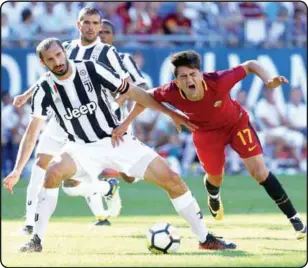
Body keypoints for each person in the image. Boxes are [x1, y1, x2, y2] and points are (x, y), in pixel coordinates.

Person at [3, 38, 235, 252]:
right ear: (43, 63)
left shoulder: (91, 68)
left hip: (116, 140)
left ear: (65, 52)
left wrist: (169, 113)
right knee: (52, 173)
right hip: (81, 148)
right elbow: (32, 132)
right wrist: (16, 170)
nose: (57, 62)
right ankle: (37, 240)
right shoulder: (44, 88)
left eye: (58, 55)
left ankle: (205, 238)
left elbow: (134, 92)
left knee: (173, 180)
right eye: (50, 59)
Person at [112, 50, 307, 240]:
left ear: (201, 74)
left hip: (236, 124)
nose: (189, 80)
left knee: (259, 172)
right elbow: (144, 98)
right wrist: (127, 123)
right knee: (215, 178)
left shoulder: (218, 81)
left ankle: (294, 218)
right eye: (183, 77)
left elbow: (250, 65)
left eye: (193, 74)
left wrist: (269, 80)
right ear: (176, 80)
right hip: (205, 134)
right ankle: (213, 194)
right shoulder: (170, 91)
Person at [12, 7, 131, 232]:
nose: (90, 27)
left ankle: (105, 195)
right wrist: (28, 94)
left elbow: (125, 86)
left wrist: (114, 112)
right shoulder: (64, 48)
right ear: (78, 24)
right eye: (86, 22)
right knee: (40, 165)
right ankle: (29, 223)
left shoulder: (107, 53)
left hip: (90, 119)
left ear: (100, 26)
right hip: (61, 118)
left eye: (95, 23)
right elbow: (47, 77)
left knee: (75, 180)